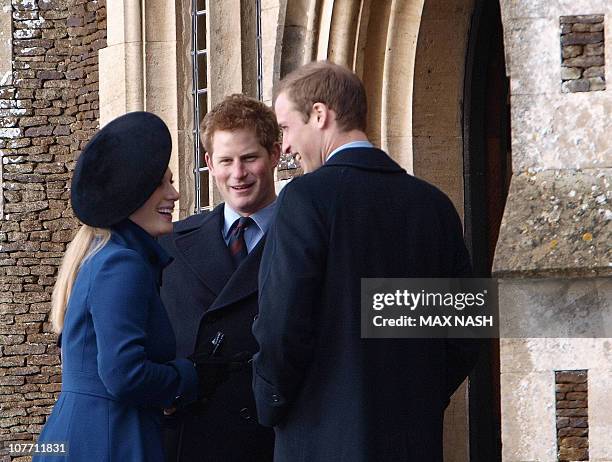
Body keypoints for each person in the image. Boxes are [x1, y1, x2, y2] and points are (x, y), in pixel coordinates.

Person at [252, 61, 483, 461]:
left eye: (286, 128)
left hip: (320, 437)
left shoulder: (306, 198)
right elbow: (465, 330)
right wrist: (418, 398)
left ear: (320, 115)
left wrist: (271, 404)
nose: (285, 146)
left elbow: (282, 326)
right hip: (413, 440)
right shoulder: (433, 205)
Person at [33, 112, 203, 461]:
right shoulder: (122, 263)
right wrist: (186, 376)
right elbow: (124, 374)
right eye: (162, 184)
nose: (174, 193)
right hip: (109, 441)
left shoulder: (109, 257)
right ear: (133, 193)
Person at [160, 94, 277, 461]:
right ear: (209, 163)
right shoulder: (171, 243)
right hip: (189, 440)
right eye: (226, 160)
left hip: (273, 441)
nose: (237, 174)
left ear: (274, 154)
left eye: (249, 158)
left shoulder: (308, 240)